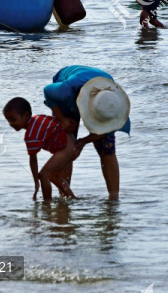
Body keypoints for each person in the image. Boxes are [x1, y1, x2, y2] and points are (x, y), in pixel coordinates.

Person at [43, 66, 131, 201]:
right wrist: (62, 119)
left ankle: (114, 199)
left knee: (107, 149)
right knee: (67, 146)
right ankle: (65, 197)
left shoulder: (113, 105)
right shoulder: (66, 90)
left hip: (101, 92)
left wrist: (83, 141)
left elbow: (107, 131)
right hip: (69, 96)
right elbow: (47, 91)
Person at [3, 97, 77, 201]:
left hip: (67, 147)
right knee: (52, 175)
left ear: (26, 115)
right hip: (71, 141)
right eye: (8, 121)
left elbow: (33, 160)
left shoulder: (31, 134)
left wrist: (36, 183)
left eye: (13, 120)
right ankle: (72, 198)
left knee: (43, 175)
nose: (11, 124)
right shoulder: (37, 119)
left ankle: (46, 204)